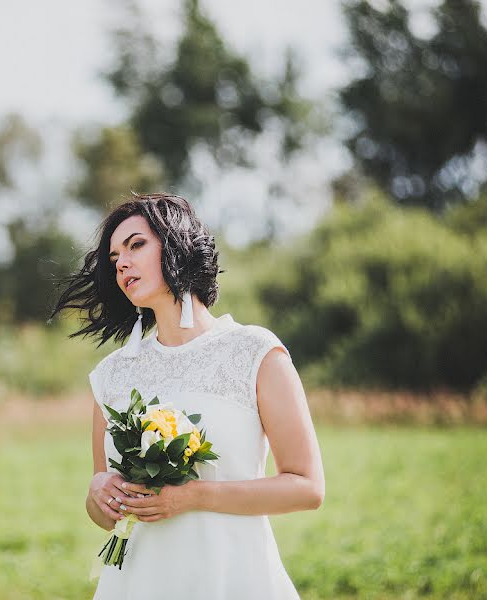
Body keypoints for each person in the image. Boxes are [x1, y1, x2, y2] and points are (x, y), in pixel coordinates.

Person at [49, 193, 325, 599]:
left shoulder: (254, 352)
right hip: (137, 583)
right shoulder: (112, 375)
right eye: (114, 258)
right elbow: (106, 516)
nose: (122, 263)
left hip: (232, 577)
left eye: (136, 245)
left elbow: (307, 487)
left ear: (176, 244)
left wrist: (194, 496)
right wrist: (98, 493)